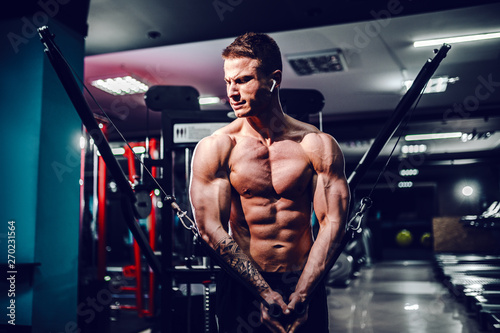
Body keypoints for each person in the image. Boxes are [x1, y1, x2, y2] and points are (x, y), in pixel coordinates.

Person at [189, 32, 350, 333]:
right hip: (243, 284)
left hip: (303, 279)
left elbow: (332, 224)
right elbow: (210, 228)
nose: (232, 93)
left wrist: (302, 295)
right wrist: (263, 293)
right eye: (228, 82)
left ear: (273, 79)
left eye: (243, 80)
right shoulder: (218, 148)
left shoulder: (316, 145)